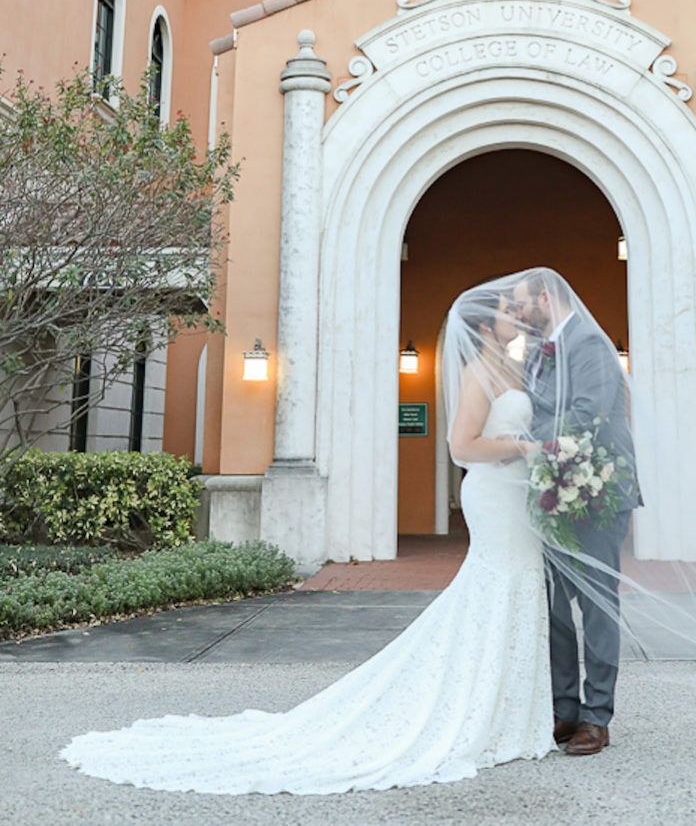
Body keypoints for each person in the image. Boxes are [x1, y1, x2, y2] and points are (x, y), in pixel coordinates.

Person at [60, 285, 553, 796]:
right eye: (507, 308)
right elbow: (461, 445)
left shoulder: (512, 369)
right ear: (486, 325)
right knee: (499, 583)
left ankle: (506, 710)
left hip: (515, 496)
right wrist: (522, 445)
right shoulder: (478, 374)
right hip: (495, 498)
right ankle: (477, 710)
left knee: (511, 586)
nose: (516, 313)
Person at [513, 268, 639, 756]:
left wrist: (526, 445)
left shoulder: (590, 342)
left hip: (598, 490)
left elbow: (589, 412)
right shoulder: (534, 352)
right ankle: (564, 709)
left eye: (524, 304)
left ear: (547, 297)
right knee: (555, 605)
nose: (520, 314)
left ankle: (597, 716)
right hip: (554, 489)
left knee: (597, 605)